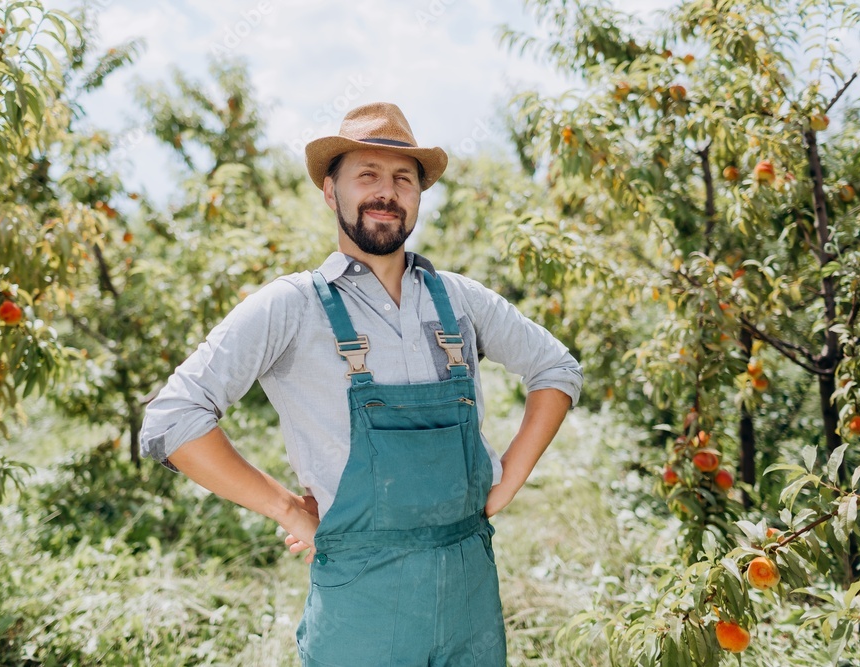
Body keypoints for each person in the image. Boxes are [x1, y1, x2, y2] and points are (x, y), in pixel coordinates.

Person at [139, 102, 583, 666]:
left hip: (470, 589)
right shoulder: (292, 306)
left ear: (419, 196)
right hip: (362, 604)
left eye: (403, 179)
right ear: (332, 192)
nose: (386, 192)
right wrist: (286, 508)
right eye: (366, 176)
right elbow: (173, 418)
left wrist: (509, 479)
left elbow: (557, 368)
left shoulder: (460, 300)